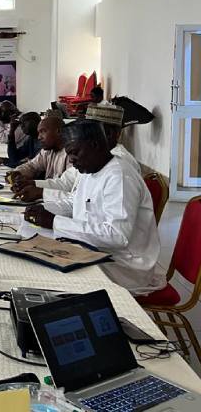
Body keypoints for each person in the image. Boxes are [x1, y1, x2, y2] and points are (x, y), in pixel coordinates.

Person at [24, 120, 165, 295]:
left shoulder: (119, 176)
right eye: (69, 155)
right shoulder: (91, 169)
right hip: (96, 251)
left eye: (75, 153)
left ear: (95, 145)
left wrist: (55, 222)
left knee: (50, 277)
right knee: (34, 258)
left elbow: (116, 235)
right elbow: (73, 203)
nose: (72, 161)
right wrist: (43, 210)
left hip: (124, 265)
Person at [23, 103, 137, 210]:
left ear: (108, 133)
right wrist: (33, 185)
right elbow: (66, 184)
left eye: (88, 129)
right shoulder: (92, 157)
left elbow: (111, 227)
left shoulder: (118, 164)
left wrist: (53, 218)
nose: (81, 133)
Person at [10, 116, 70, 198]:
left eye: (43, 131)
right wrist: (18, 173)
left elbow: (66, 184)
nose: (39, 137)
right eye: (39, 133)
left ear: (58, 131)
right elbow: (32, 166)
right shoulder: (47, 151)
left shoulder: (72, 154)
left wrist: (36, 186)